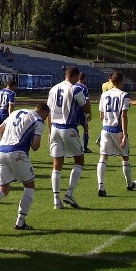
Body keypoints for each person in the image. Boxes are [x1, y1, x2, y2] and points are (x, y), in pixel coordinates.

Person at [0, 104, 50, 232]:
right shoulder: (38, 120)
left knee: (3, 189)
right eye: (46, 116)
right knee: (29, 186)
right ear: (43, 111)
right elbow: (35, 146)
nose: (46, 118)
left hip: (1, 152)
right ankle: (20, 222)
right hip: (17, 152)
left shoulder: (16, 112)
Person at [46, 66, 89, 208]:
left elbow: (49, 113)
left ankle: (56, 200)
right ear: (76, 76)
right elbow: (87, 108)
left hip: (55, 128)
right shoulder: (76, 88)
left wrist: (49, 132)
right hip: (68, 127)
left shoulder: (53, 89)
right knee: (79, 160)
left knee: (57, 164)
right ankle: (69, 194)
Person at [96, 72, 136, 195]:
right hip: (117, 129)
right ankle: (129, 183)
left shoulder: (104, 95)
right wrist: (125, 134)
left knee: (103, 157)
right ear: (121, 81)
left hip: (106, 129)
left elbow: (101, 115)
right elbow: (124, 116)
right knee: (125, 157)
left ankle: (101, 186)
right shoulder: (124, 95)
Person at [74, 72, 93, 153]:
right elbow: (87, 101)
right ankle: (85, 148)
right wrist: (90, 112)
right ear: (84, 78)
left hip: (73, 110)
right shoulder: (84, 87)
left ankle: (74, 147)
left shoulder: (73, 85)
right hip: (82, 110)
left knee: (73, 128)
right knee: (85, 128)